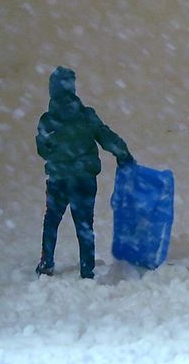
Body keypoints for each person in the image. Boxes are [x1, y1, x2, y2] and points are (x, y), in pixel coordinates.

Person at [36, 67, 134, 279]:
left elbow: (42, 150)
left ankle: (46, 264)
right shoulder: (86, 116)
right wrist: (123, 153)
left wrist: (60, 154)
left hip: (58, 179)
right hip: (83, 179)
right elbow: (106, 137)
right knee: (84, 224)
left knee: (52, 220)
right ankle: (86, 268)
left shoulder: (46, 121)